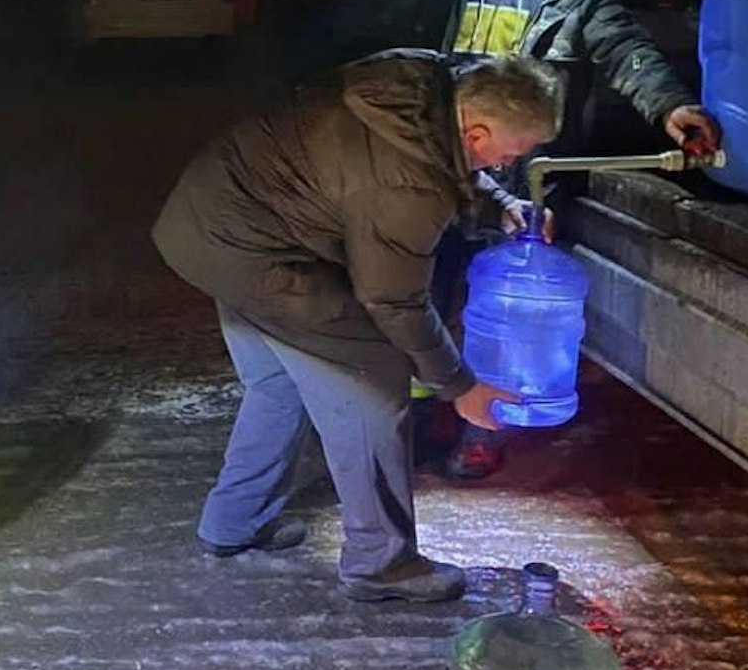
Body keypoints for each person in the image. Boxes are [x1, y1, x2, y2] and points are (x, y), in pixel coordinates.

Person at [152, 50, 562, 603]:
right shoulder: (410, 186)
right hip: (256, 251)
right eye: (518, 149)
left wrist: (498, 203)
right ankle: (382, 563)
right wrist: (459, 386)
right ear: (478, 132)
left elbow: (438, 156)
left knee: (278, 385)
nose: (520, 157)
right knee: (373, 381)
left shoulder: (418, 83)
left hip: (207, 225)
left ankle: (233, 522)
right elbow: (393, 297)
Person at [426, 0, 722, 480]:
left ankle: (481, 430)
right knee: (419, 293)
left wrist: (671, 106)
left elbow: (625, 51)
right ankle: (415, 415)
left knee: (502, 311)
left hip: (529, 179)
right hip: (439, 168)